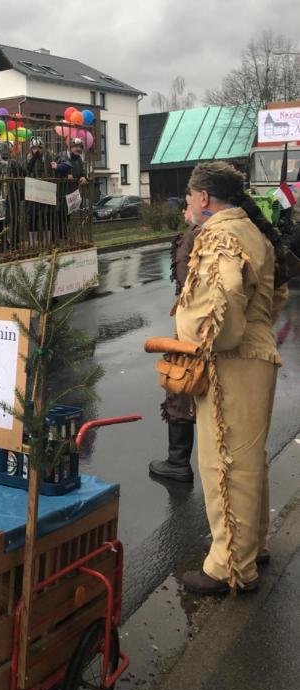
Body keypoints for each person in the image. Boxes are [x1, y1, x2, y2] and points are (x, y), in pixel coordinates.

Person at [176, 161, 288, 595]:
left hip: (233, 362)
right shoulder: (252, 232)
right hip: (255, 355)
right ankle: (250, 548)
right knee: (247, 460)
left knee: (223, 462)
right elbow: (274, 293)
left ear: (203, 197)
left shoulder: (220, 235)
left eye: (188, 196)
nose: (186, 204)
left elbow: (217, 317)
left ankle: (228, 568)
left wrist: (196, 338)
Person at [148, 205, 200, 482]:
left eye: (188, 201)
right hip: (212, 328)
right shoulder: (225, 234)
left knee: (180, 386)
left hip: (192, 327)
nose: (183, 209)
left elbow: (184, 283)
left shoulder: (192, 237)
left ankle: (178, 461)